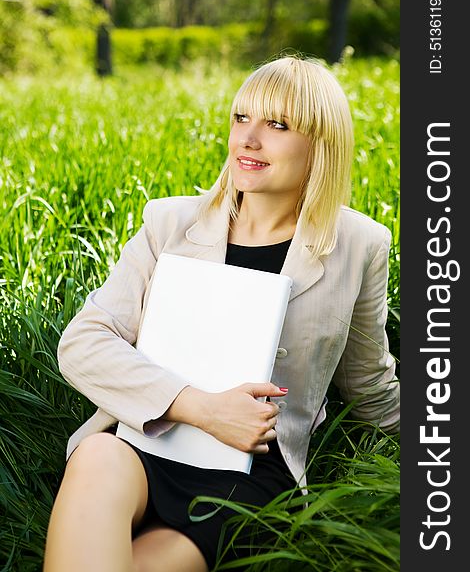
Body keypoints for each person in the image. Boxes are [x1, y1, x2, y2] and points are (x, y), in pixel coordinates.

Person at [43, 55, 400, 572]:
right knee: (97, 456)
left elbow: (368, 384)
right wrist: (202, 409)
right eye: (240, 118)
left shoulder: (360, 244)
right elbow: (83, 342)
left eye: (276, 125)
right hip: (141, 441)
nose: (248, 139)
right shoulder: (169, 222)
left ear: (321, 144)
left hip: (244, 476)